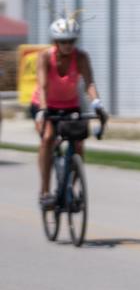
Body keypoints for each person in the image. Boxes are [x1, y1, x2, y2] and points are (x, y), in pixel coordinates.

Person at [31, 14, 106, 209]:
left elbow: (89, 82)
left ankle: (70, 191)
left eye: (71, 41)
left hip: (70, 105)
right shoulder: (45, 57)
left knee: (78, 144)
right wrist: (44, 109)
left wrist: (97, 104)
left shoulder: (80, 57)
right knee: (48, 138)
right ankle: (45, 192)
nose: (68, 45)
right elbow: (43, 85)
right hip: (44, 104)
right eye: (64, 42)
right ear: (56, 41)